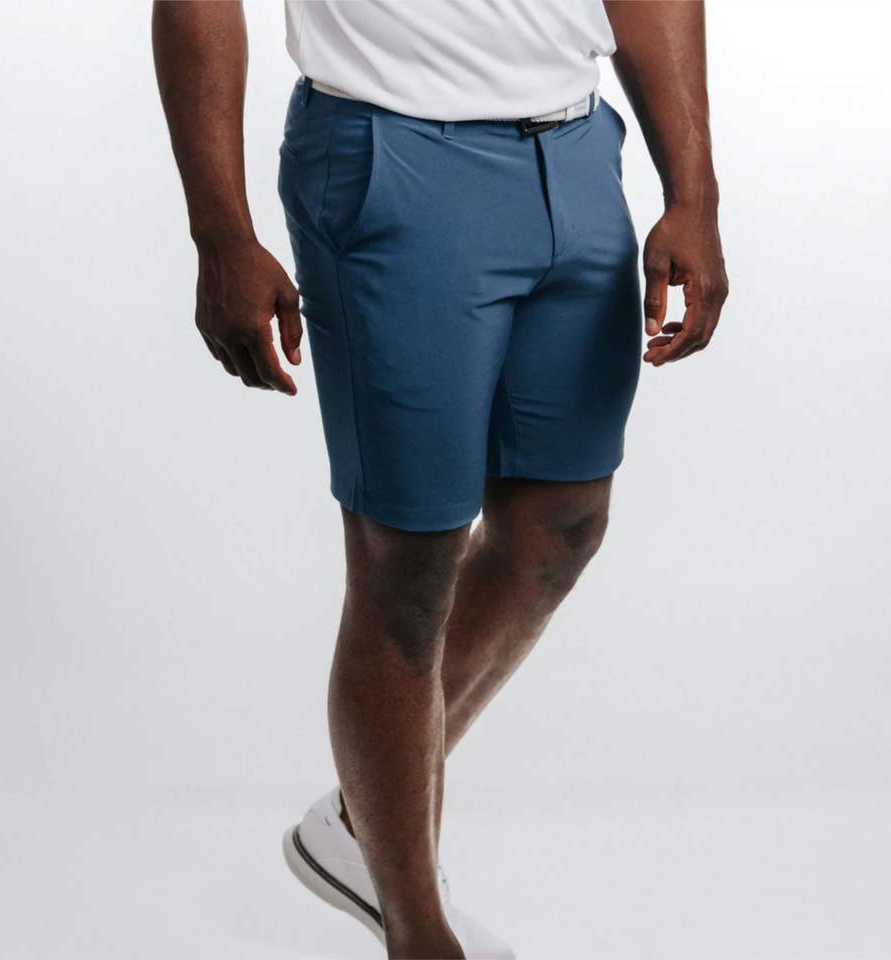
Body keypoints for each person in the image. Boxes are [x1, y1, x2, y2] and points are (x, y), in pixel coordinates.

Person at [152, 2, 728, 957]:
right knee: (407, 568)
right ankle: (418, 933)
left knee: (562, 523)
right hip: (392, 154)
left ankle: (358, 822)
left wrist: (694, 193)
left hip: (577, 151)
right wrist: (221, 234)